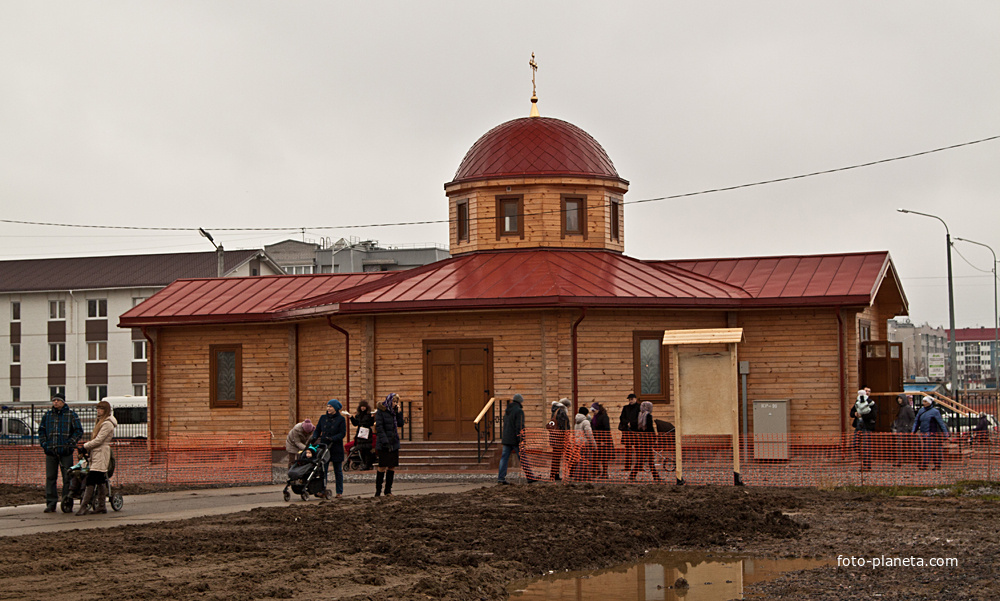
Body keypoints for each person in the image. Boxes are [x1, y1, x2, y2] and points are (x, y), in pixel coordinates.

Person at [38, 393, 83, 513]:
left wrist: (69, 444)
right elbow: (41, 431)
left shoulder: (71, 415)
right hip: (51, 451)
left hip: (66, 452)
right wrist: (45, 445)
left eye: (58, 400)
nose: (55, 402)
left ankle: (67, 501)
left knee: (67, 477)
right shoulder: (47, 416)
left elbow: (78, 431)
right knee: (50, 478)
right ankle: (51, 503)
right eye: (54, 400)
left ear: (63, 402)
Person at [77, 400, 117, 516]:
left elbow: (99, 440)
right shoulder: (101, 422)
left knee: (91, 479)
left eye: (101, 409)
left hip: (101, 453)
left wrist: (85, 446)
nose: (98, 411)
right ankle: (101, 506)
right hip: (97, 453)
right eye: (98, 409)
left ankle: (84, 506)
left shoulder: (107, 424)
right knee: (100, 480)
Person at [311, 399, 347, 498]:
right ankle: (322, 490)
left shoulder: (341, 419)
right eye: (328, 406)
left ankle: (339, 491)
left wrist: (333, 438)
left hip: (335, 447)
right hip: (324, 446)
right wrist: (314, 437)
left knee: (337, 470)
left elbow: (342, 433)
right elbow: (318, 429)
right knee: (323, 470)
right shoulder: (323, 418)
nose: (328, 408)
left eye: (330, 406)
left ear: (335, 408)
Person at [374, 393, 405, 497]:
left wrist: (399, 413)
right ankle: (378, 491)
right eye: (394, 401)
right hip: (384, 443)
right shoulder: (381, 412)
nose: (395, 404)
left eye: (397, 402)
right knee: (382, 466)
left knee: (391, 466)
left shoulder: (394, 412)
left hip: (394, 442)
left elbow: (400, 424)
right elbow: (379, 427)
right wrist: (385, 441)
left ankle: (388, 490)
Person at [912, 396, 949, 470]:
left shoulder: (935, 412)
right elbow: (917, 422)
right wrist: (913, 431)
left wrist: (946, 433)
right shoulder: (921, 411)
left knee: (927, 449)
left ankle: (924, 465)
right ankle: (937, 464)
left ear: (929, 402)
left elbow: (940, 423)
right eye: (923, 401)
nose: (924, 403)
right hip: (923, 433)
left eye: (925, 401)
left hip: (931, 434)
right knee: (932, 450)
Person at [629, 401, 660, 482]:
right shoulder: (648, 416)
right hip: (647, 441)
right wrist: (654, 438)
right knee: (649, 459)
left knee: (641, 459)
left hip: (639, 441)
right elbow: (650, 428)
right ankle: (655, 477)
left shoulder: (638, 416)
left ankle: (632, 476)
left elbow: (633, 427)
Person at [497, 394, 525, 485]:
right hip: (515, 438)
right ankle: (530, 476)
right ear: (520, 402)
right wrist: (521, 438)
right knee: (523, 457)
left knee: (504, 458)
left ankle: (501, 478)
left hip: (506, 438)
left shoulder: (507, 411)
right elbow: (519, 426)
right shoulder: (519, 411)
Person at [850, 389, 878, 471]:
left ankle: (867, 464)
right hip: (858, 426)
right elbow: (852, 412)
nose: (867, 392)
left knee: (866, 446)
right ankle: (862, 458)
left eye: (868, 391)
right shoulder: (857, 402)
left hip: (867, 426)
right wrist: (855, 414)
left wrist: (862, 415)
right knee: (855, 444)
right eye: (865, 390)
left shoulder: (871, 403)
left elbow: (873, 415)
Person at [547, 398, 571, 481]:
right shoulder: (561, 412)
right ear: (566, 405)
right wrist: (566, 435)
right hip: (559, 437)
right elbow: (563, 426)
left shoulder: (555, 411)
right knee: (557, 457)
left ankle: (554, 474)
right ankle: (554, 475)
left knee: (556, 456)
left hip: (554, 436)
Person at [571, 407, 596, 481]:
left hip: (578, 443)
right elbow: (589, 434)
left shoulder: (576, 422)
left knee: (581, 459)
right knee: (587, 460)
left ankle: (584, 476)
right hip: (585, 444)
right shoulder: (585, 422)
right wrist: (594, 444)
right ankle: (582, 476)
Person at [349, 401, 375, 470]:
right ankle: (364, 463)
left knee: (367, 450)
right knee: (362, 450)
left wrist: (372, 418)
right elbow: (355, 423)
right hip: (360, 433)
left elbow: (371, 423)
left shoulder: (369, 415)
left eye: (364, 407)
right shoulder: (358, 415)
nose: (363, 408)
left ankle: (367, 464)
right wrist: (351, 418)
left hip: (366, 433)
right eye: (361, 407)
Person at [590, 402, 613, 479]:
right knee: (596, 456)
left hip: (603, 440)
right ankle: (596, 472)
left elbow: (607, 429)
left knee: (604, 457)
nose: (593, 412)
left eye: (594, 410)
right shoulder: (594, 417)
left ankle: (605, 473)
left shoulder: (604, 417)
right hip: (597, 439)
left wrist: (604, 440)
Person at [618, 393, 640, 473]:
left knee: (638, 450)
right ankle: (627, 467)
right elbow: (621, 417)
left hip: (636, 431)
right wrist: (627, 423)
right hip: (627, 431)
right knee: (628, 450)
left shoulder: (639, 407)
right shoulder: (626, 408)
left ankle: (639, 466)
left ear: (635, 399)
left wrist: (632, 423)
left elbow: (640, 418)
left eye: (632, 399)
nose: (630, 401)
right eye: (629, 399)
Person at [891, 395, 915, 466]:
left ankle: (920, 456)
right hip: (900, 429)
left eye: (900, 398)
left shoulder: (908, 408)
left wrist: (909, 427)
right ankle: (899, 461)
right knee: (899, 445)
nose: (899, 400)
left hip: (906, 429)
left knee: (911, 445)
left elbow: (913, 418)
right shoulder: (899, 408)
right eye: (898, 398)